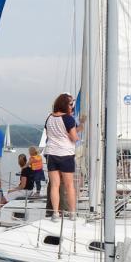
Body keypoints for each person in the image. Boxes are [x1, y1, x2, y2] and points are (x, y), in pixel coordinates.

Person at [44, 93, 82, 222]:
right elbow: (74, 138)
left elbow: (49, 135)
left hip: (51, 153)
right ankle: (72, 213)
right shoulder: (68, 119)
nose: (72, 106)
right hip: (66, 154)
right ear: (65, 105)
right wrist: (77, 134)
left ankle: (55, 214)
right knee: (69, 186)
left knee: (54, 185)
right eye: (71, 104)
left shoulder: (49, 118)